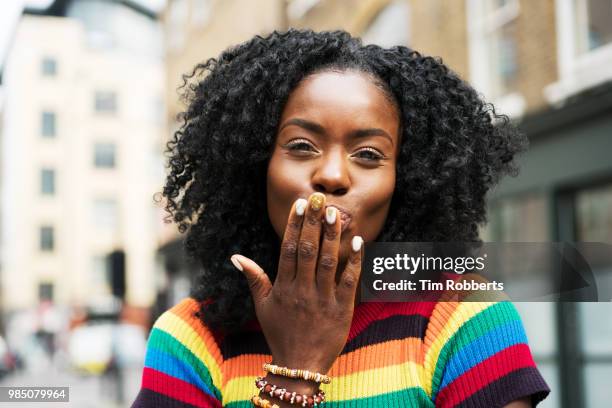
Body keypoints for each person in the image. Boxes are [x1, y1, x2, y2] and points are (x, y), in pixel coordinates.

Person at [132, 29, 550, 407]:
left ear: (406, 179)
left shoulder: (464, 318)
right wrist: (296, 368)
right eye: (301, 145)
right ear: (253, 165)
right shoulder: (191, 338)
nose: (332, 175)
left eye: (368, 154)